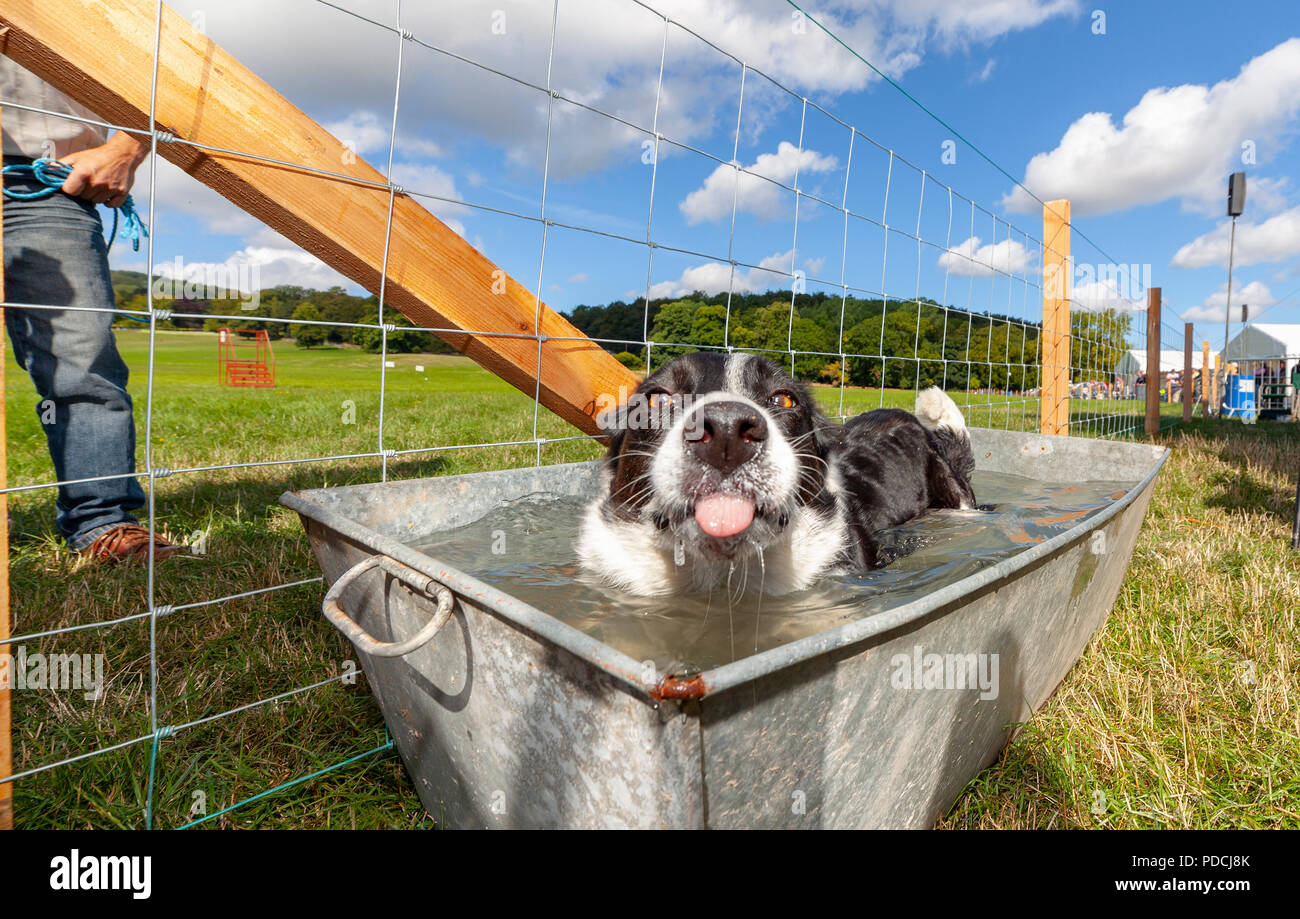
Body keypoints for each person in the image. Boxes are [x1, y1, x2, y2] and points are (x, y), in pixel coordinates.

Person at [2, 56, 180, 561]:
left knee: (84, 360)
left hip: (51, 184)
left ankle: (100, 520)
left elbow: (165, 69)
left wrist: (127, 146)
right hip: (50, 185)